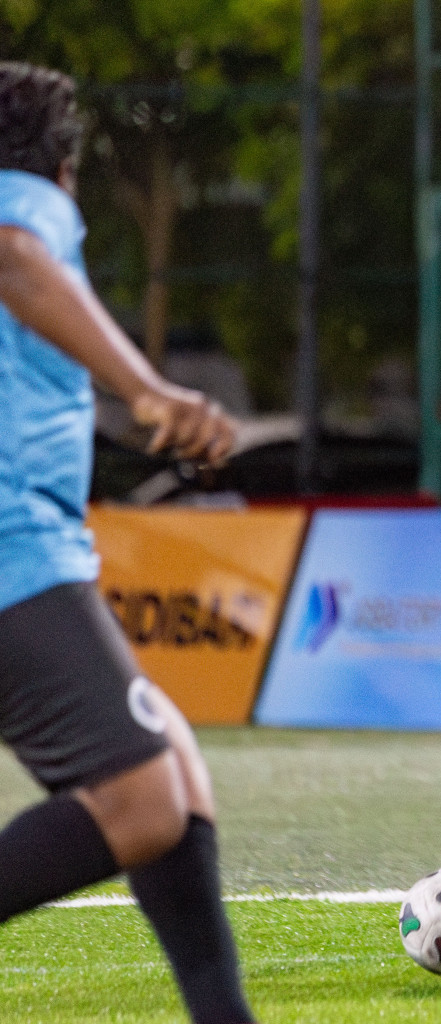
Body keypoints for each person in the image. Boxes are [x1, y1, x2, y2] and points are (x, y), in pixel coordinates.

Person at [0, 63, 255, 1023]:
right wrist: (146, 386)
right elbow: (13, 254)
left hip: (34, 547)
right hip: (11, 549)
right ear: (62, 172)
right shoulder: (23, 200)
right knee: (144, 801)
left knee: (178, 784)